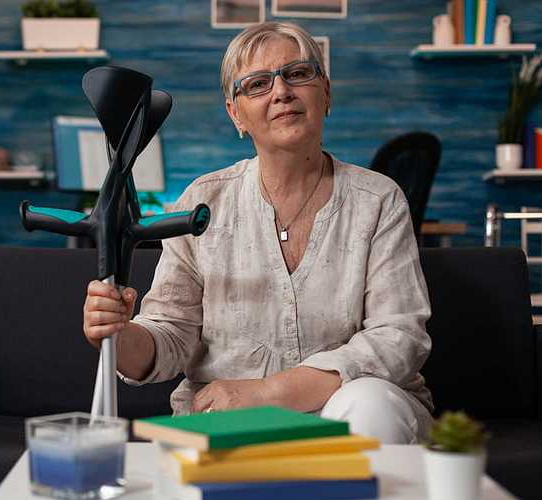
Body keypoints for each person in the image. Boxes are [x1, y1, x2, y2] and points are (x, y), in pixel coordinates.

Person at [82, 22, 434, 444]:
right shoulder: (202, 201)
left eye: (298, 74)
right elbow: (170, 333)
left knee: (371, 402)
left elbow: (397, 338)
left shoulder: (378, 200)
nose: (281, 91)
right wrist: (119, 335)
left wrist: (268, 393)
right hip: (228, 421)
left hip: (343, 414)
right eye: (257, 84)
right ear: (236, 114)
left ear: (326, 93)